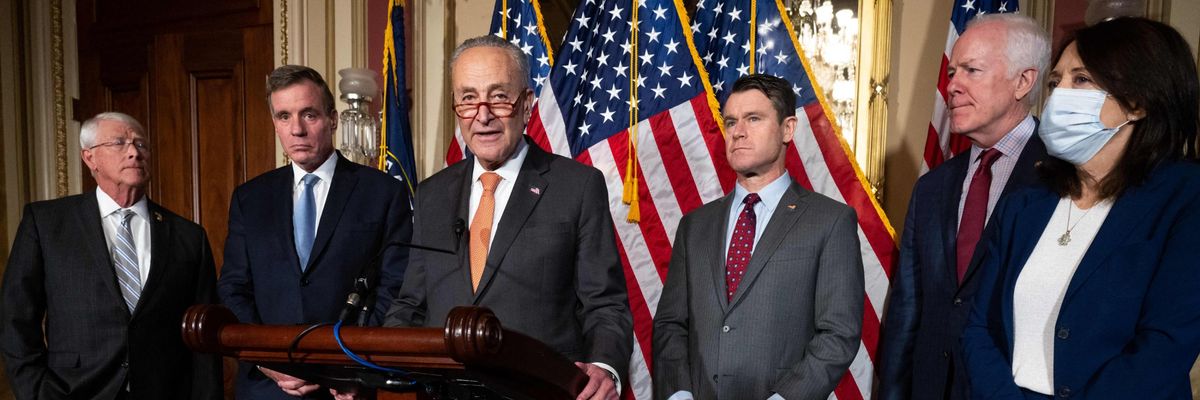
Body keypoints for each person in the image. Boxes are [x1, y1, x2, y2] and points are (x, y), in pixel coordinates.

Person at [960, 17, 1200, 399]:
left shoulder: (1184, 198)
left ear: (1137, 102)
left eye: (1081, 80)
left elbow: (1165, 345)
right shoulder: (1025, 203)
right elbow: (980, 327)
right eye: (1055, 83)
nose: (1058, 95)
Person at [382, 35, 631, 400]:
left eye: (499, 97)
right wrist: (373, 365)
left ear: (527, 104)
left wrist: (605, 367)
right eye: (468, 99)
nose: (482, 115)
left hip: (541, 391)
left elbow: (605, 305)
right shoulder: (432, 194)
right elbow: (410, 306)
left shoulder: (577, 186)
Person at [652, 74, 864, 400]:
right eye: (731, 122)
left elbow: (838, 335)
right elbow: (670, 324)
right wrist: (679, 394)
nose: (738, 132)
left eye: (754, 119)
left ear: (788, 128)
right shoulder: (695, 225)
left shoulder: (830, 221)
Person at [876, 14, 1050, 400]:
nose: (952, 86)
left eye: (971, 70)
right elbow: (908, 311)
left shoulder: (1064, 179)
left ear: (1024, 81)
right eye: (953, 72)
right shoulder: (932, 188)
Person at [218, 65, 412, 399]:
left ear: (333, 119)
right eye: (283, 116)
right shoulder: (250, 198)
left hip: (346, 386)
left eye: (309, 115)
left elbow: (394, 287)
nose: (297, 130)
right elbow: (233, 289)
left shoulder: (381, 192)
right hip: (267, 387)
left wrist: (349, 364)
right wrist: (266, 360)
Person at [0, 112, 222, 399]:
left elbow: (203, 336)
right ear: (90, 158)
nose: (133, 152)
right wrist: (37, 392)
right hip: (72, 391)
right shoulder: (46, 223)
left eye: (141, 145)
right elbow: (15, 317)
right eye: (119, 143)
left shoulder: (188, 236)